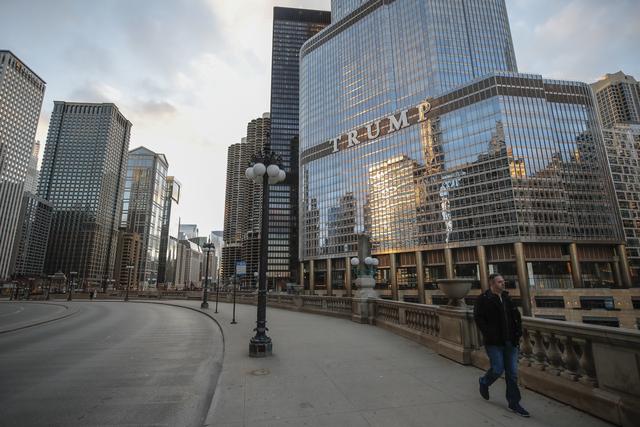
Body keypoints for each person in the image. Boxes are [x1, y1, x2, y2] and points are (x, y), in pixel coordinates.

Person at [473, 273, 530, 417]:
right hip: (494, 342)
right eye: (500, 282)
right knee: (497, 369)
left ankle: (514, 403)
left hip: (511, 341)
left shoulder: (507, 298)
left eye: (503, 281)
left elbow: (516, 316)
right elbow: (478, 318)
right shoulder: (483, 299)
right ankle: (484, 382)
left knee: (512, 374)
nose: (503, 284)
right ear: (492, 284)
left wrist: (517, 333)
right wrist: (489, 333)